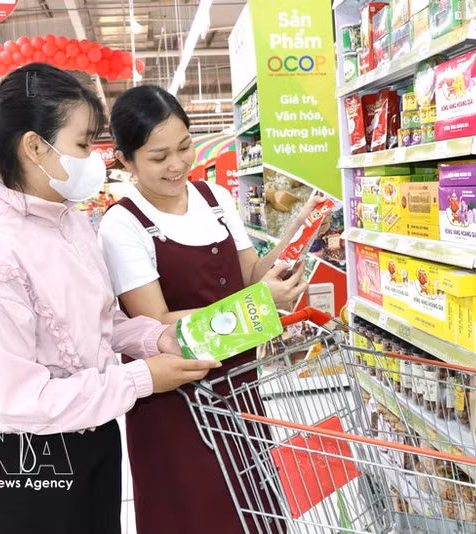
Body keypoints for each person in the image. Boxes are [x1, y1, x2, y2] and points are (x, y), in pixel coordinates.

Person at [0, 64, 219, 534]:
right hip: (31, 465)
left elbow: (102, 322)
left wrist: (158, 339)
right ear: (34, 146)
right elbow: (17, 399)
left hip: (95, 433)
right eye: (84, 143)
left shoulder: (70, 223)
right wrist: (142, 379)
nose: (96, 159)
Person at [99, 85, 316, 534]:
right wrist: (258, 305)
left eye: (184, 147)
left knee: (251, 509)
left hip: (238, 387)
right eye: (159, 157)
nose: (177, 165)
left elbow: (249, 273)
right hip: (173, 401)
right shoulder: (122, 223)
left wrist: (297, 235)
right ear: (125, 160)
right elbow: (156, 325)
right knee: (195, 514)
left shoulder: (215, 198)